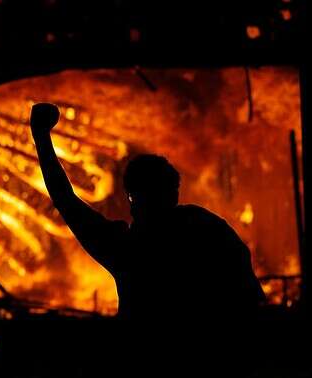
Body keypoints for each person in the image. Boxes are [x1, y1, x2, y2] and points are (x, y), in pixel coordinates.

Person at [30, 103, 265, 372]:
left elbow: (66, 201)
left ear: (132, 199)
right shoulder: (208, 228)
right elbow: (252, 300)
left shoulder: (127, 250)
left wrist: (41, 137)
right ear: (174, 193)